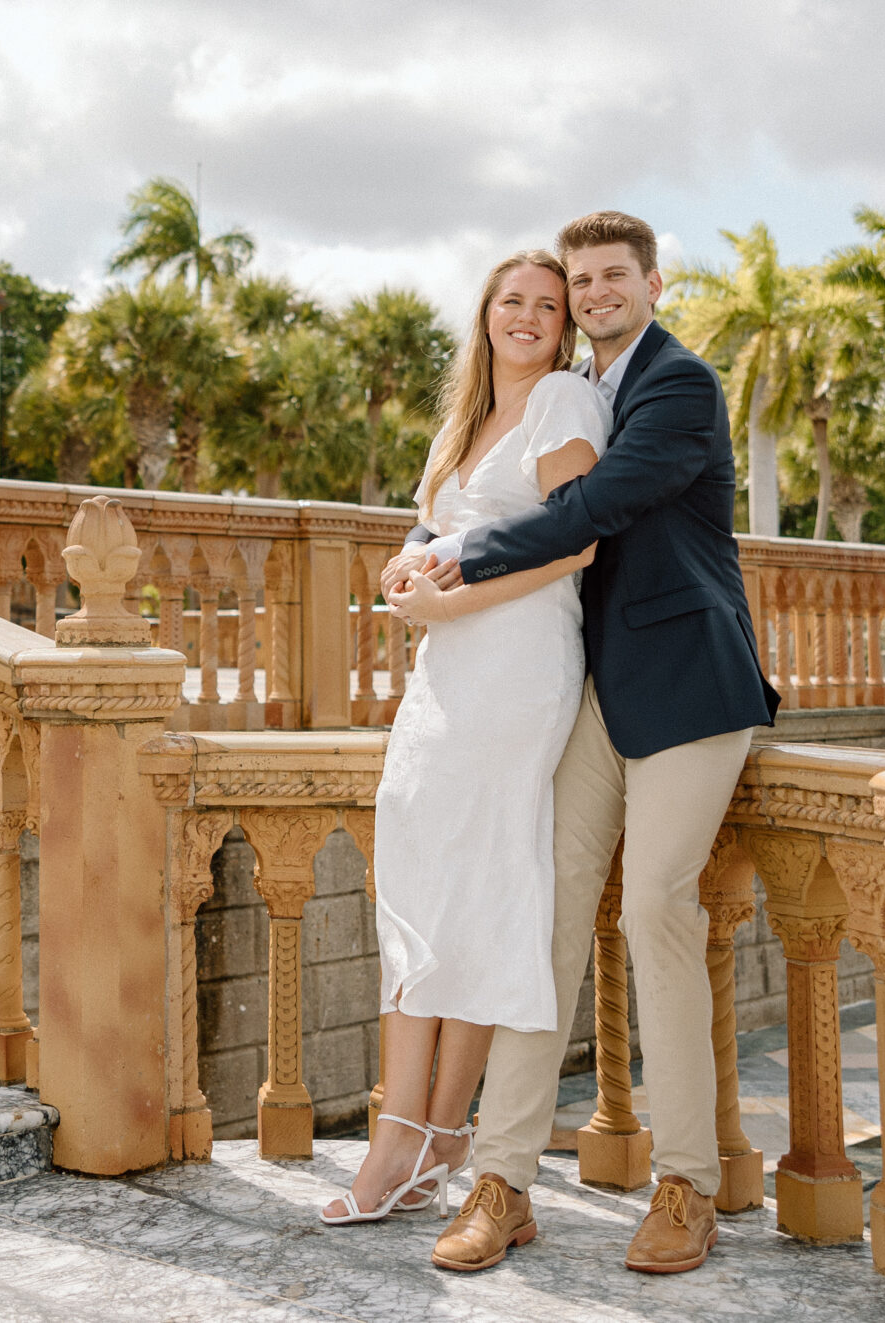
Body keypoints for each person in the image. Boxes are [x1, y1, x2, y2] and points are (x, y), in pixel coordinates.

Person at [384, 209, 781, 1277]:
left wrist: (453, 557)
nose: (596, 293)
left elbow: (598, 505)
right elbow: (508, 480)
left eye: (614, 276)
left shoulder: (678, 385)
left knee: (656, 905)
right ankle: (502, 1180)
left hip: (691, 683)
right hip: (594, 690)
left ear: (653, 283)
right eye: (581, 280)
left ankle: (687, 1184)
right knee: (544, 914)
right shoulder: (584, 391)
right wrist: (424, 544)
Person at [318, 250, 608, 1226]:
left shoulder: (563, 400)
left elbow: (577, 540)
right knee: (425, 878)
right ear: (485, 314)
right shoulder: (464, 419)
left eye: (546, 305)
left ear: (565, 326)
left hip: (515, 668)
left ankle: (402, 1139)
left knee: (468, 889)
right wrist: (404, 579)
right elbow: (426, 537)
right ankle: (431, 1141)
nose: (526, 317)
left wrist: (452, 603)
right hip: (445, 675)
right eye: (509, 301)